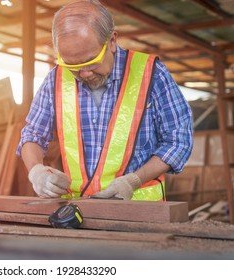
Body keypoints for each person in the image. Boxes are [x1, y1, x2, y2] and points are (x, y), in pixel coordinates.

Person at [16, 0, 193, 201]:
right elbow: (32, 134)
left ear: (112, 41)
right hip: (79, 210)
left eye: (91, 62)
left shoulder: (151, 74)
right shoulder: (55, 79)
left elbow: (178, 141)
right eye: (72, 65)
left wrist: (133, 180)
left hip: (141, 211)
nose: (84, 72)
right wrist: (36, 171)